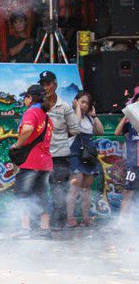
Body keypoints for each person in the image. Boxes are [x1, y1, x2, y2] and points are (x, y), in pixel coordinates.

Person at [10, 84, 54, 238]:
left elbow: (28, 129)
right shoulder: (46, 116)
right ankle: (44, 229)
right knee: (41, 195)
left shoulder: (31, 112)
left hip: (30, 161)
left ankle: (25, 229)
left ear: (30, 98)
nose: (24, 100)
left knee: (23, 194)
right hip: (44, 161)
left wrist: (18, 144)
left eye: (26, 97)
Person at [39, 70, 80, 230]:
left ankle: (57, 223)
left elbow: (75, 129)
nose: (45, 87)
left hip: (59, 156)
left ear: (55, 85)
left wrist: (59, 137)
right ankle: (41, 223)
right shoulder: (39, 106)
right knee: (39, 190)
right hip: (41, 156)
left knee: (59, 191)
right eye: (42, 84)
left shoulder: (64, 106)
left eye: (48, 84)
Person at [66, 91, 104, 227]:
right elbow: (75, 127)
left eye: (87, 103)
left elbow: (100, 131)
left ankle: (86, 218)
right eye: (82, 102)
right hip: (76, 154)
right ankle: (70, 217)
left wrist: (94, 116)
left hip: (89, 156)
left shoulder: (89, 118)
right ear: (75, 101)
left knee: (86, 188)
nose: (84, 105)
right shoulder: (71, 116)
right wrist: (76, 108)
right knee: (74, 187)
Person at [115, 86, 139, 228]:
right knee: (128, 192)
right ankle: (122, 222)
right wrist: (127, 114)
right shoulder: (129, 122)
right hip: (134, 163)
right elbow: (117, 132)